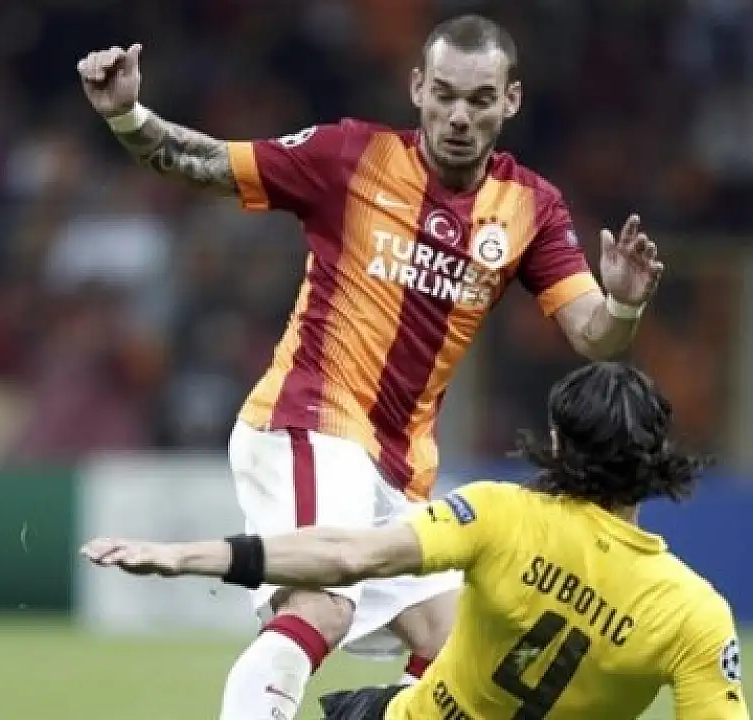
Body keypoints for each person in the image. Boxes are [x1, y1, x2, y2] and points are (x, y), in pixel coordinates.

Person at [75, 13, 664, 720]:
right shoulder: (350, 156)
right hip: (310, 421)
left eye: (479, 99)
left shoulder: (530, 208)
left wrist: (624, 303)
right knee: (319, 606)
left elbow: (594, 338)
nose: (458, 115)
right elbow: (207, 164)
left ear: (510, 101)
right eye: (444, 94)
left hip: (401, 463)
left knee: (457, 651)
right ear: (417, 88)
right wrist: (128, 115)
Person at [83, 362, 747, 720]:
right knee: (433, 626)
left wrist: (185, 556)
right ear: (658, 462)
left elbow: (345, 556)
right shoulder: (695, 614)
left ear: (556, 443)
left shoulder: (498, 514)